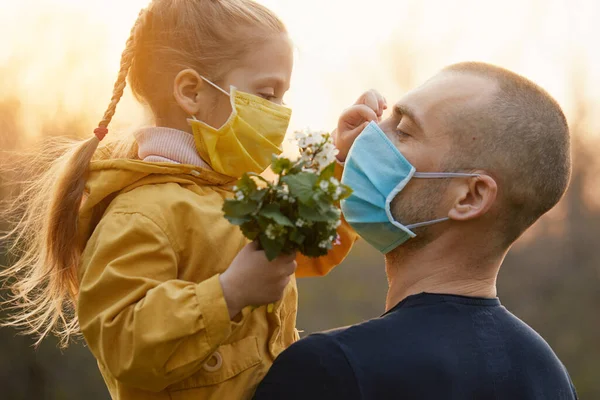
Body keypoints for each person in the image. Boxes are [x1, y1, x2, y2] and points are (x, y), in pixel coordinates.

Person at [0, 1, 386, 399]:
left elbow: (310, 247)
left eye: (282, 96)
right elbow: (125, 347)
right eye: (267, 93)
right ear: (191, 91)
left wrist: (341, 162)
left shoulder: (236, 193)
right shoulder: (140, 213)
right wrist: (229, 293)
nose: (280, 113)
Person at [254, 62, 578, 400]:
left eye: (404, 130)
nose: (369, 134)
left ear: (469, 196)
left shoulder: (332, 370)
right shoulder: (549, 376)